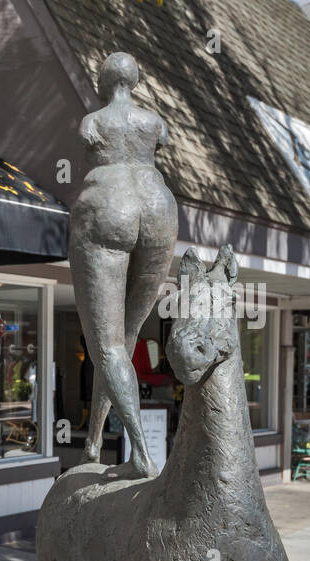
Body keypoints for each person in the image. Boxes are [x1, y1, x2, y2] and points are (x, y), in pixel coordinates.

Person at [69, 51, 178, 479]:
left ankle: (140, 453)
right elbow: (163, 138)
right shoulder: (154, 122)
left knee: (108, 346)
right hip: (157, 205)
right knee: (123, 341)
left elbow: (88, 137)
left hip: (108, 203)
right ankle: (94, 444)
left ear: (103, 82)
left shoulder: (93, 121)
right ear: (133, 81)